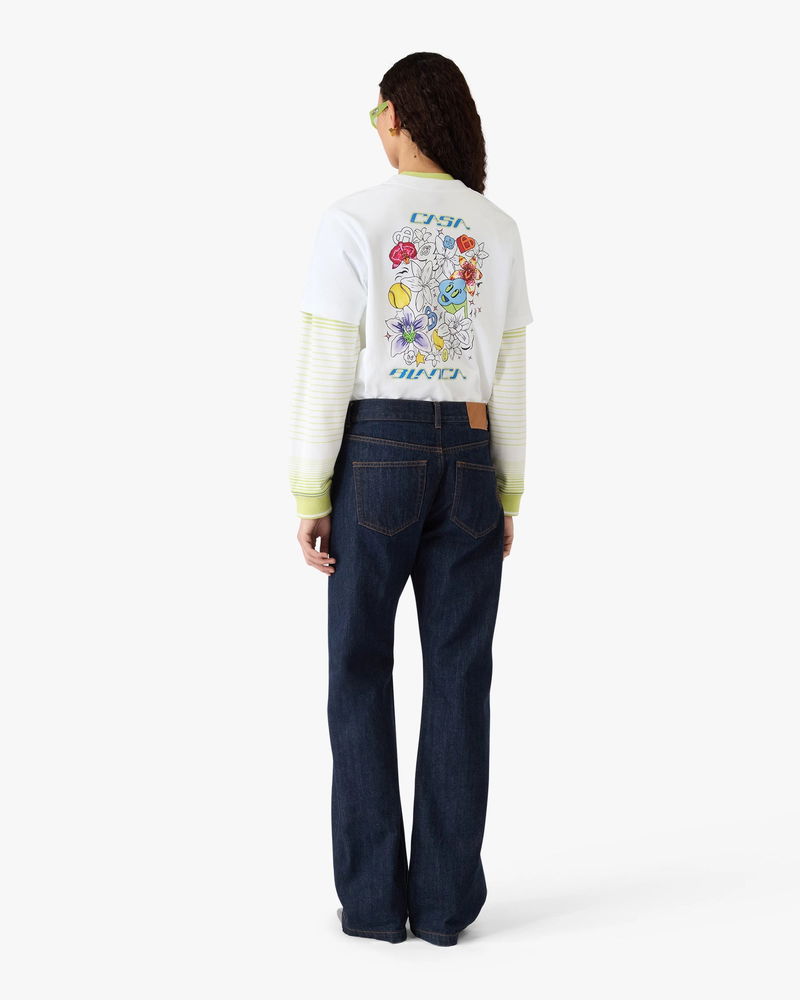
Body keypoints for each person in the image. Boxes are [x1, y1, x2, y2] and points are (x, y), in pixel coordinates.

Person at [287, 52, 533, 946]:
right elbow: (509, 372)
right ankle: (441, 905)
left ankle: (371, 904)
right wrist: (508, 487)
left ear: (395, 116)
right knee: (461, 676)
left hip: (377, 453)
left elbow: (328, 359)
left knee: (358, 669)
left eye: (377, 115)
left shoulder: (354, 219)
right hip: (469, 456)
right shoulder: (496, 228)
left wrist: (311, 487)